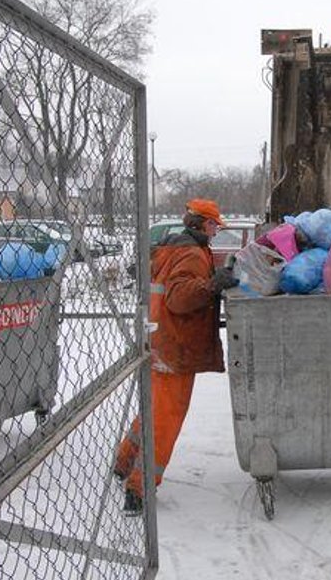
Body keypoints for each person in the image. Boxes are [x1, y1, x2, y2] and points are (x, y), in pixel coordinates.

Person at [114, 198, 239, 514]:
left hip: (161, 340)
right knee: (167, 419)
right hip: (177, 348)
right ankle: (138, 489)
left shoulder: (170, 248)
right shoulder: (191, 254)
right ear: (200, 224)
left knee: (154, 410)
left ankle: (123, 462)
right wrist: (213, 285)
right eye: (213, 225)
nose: (215, 231)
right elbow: (181, 299)